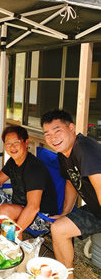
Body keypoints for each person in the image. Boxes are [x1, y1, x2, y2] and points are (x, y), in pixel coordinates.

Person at [41, 110, 97, 276]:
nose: (53, 138)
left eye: (57, 131)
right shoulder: (63, 154)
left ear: (71, 128)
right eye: (47, 134)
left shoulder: (85, 149)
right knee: (58, 228)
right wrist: (66, 213)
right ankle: (66, 275)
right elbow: (70, 182)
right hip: (95, 209)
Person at [0, 125, 58, 239]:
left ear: (26, 143)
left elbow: (33, 207)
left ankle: (13, 245)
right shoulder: (13, 162)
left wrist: (15, 231)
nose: (12, 147)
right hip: (20, 205)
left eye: (16, 142)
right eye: (8, 143)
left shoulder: (34, 168)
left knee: (6, 210)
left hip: (42, 216)